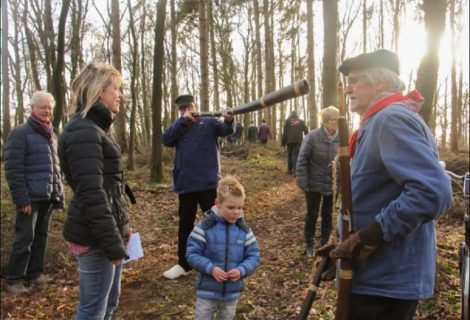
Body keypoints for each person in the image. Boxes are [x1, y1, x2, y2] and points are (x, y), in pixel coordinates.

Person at [319, 49, 453, 319]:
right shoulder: (377, 122)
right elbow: (372, 193)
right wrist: (341, 238)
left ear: (379, 82)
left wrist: (368, 237)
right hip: (375, 280)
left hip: (386, 282)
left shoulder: (391, 119)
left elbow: (432, 192)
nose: (348, 89)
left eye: (355, 80)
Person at [58, 62, 133, 319]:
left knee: (109, 304)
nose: (120, 95)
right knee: (93, 310)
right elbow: (92, 194)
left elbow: (110, 187)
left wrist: (123, 226)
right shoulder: (83, 133)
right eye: (117, 89)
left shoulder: (95, 129)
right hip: (95, 237)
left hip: (106, 231)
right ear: (100, 90)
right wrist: (113, 243)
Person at [161, 94, 235, 280]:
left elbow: (226, 129)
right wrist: (181, 122)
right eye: (182, 108)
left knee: (215, 224)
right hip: (186, 185)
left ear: (195, 105)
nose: (187, 110)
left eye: (189, 106)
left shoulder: (209, 122)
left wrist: (230, 119)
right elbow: (166, 140)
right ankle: (183, 264)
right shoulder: (179, 127)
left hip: (208, 183)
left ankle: (220, 261)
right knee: (185, 226)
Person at [3, 91, 64, 294]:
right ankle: (14, 279)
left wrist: (58, 193)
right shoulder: (20, 133)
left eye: (49, 108)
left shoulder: (51, 134)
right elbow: (13, 169)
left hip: (47, 196)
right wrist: (22, 199)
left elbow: (55, 167)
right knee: (24, 238)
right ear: (32, 109)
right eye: (42, 107)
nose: (47, 111)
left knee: (41, 236)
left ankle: (35, 274)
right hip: (29, 198)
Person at [186, 176, 261, 320]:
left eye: (239, 207)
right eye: (231, 207)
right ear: (218, 204)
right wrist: (210, 268)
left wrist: (242, 270)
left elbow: (254, 256)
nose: (236, 212)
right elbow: (192, 254)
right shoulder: (204, 227)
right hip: (207, 290)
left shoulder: (244, 230)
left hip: (231, 293)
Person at [296, 106, 339, 257]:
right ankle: (309, 244)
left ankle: (324, 244)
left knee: (328, 214)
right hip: (313, 182)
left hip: (332, 184)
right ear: (326, 122)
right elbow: (302, 159)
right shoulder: (312, 136)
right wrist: (302, 181)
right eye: (335, 120)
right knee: (312, 214)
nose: (338, 122)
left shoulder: (341, 138)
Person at [281, 110, 308, 176]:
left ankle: (290, 170)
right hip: (298, 141)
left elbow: (285, 132)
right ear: (297, 115)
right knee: (297, 155)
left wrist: (283, 142)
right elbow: (306, 130)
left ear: (291, 114)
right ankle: (296, 171)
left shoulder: (287, 121)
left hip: (289, 141)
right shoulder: (301, 121)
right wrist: (305, 135)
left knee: (290, 155)